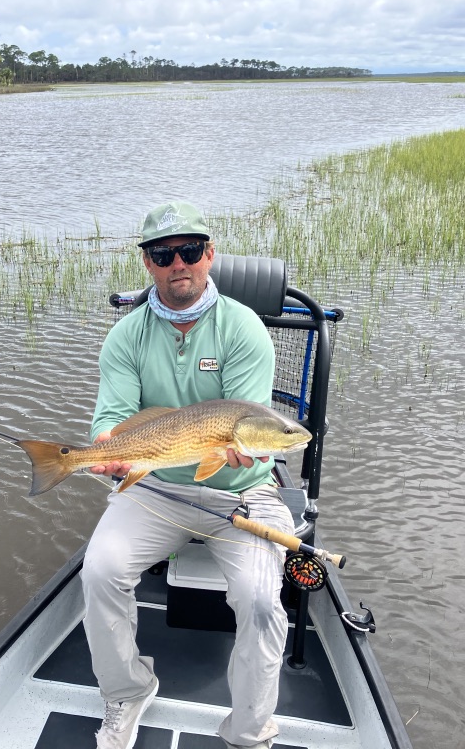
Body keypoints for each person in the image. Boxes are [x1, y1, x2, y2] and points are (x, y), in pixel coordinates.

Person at [82, 201, 294, 749]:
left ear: (210, 255)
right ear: (149, 264)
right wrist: (107, 446)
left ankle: (248, 730)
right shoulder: (126, 336)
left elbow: (254, 426)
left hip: (240, 496)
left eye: (191, 250)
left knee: (264, 602)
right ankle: (127, 691)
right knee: (100, 571)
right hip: (154, 488)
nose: (179, 263)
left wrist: (257, 457)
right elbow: (111, 417)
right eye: (163, 253)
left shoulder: (244, 329)